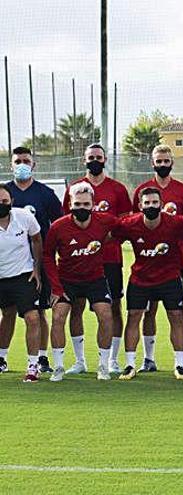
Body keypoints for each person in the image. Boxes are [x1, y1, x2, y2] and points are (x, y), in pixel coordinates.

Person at [113, 187, 183, 380]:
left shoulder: (174, 223)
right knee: (134, 317)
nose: (151, 206)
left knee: (176, 316)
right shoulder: (130, 224)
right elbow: (110, 233)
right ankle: (130, 364)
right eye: (147, 203)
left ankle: (180, 363)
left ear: (161, 204)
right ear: (140, 205)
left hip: (169, 278)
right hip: (140, 279)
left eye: (155, 202)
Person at [61, 143, 131, 375]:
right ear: (84, 160)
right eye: (91, 157)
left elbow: (123, 226)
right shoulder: (74, 188)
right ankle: (80, 361)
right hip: (78, 262)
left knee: (113, 308)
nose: (95, 160)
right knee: (76, 307)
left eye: (98, 157)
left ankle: (111, 360)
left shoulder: (118, 189)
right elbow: (67, 223)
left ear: (105, 159)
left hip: (109, 260)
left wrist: (104, 242)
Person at [42, 182, 116, 381]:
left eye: (86, 204)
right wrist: (56, 288)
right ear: (70, 204)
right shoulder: (58, 227)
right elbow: (48, 256)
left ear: (93, 204)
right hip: (67, 280)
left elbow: (125, 229)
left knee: (106, 315)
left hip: (95, 279)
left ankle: (103, 366)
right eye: (77, 204)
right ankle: (61, 366)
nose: (81, 208)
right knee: (59, 317)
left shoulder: (105, 221)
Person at [131, 145, 183, 373]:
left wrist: (177, 247)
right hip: (148, 265)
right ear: (152, 163)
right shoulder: (142, 190)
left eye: (166, 160)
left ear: (172, 162)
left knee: (179, 310)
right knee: (149, 310)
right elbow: (135, 222)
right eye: (158, 161)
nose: (162, 164)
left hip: (176, 263)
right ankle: (149, 358)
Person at [2, 146, 62, 374]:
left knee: (40, 312)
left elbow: (59, 224)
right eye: (17, 161)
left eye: (26, 161)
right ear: (11, 165)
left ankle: (42, 357)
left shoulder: (45, 193)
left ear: (34, 164)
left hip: (38, 262)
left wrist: (50, 257)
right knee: (7, 312)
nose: (22, 165)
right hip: (8, 264)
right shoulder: (4, 191)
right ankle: (2, 357)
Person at [0, 184, 43, 381]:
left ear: (11, 202)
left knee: (33, 317)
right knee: (7, 314)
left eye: (4, 202)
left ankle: (33, 365)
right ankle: (1, 359)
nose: (1, 205)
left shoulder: (24, 216)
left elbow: (36, 239)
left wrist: (36, 268)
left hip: (23, 275)